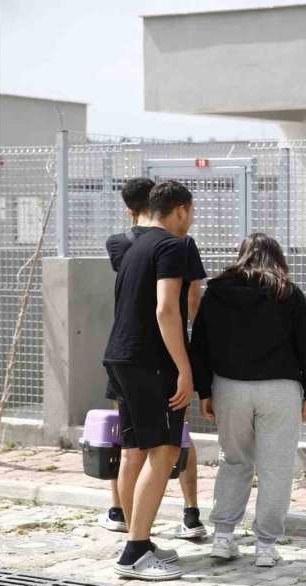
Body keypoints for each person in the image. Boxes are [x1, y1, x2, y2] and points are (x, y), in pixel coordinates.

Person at [189, 233, 306, 568]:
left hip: (230, 387)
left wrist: (205, 390)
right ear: (277, 258)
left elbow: (200, 343)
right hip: (279, 390)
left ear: (242, 256)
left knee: (234, 460)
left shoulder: (217, 292)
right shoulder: (288, 293)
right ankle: (265, 545)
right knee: (276, 468)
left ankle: (222, 537)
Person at [97, 177, 207, 541]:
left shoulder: (130, 246)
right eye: (191, 212)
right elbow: (166, 310)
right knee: (165, 451)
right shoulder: (174, 247)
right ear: (181, 210)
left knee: (133, 450)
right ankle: (137, 547)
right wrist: (185, 367)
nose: (191, 220)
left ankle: (135, 537)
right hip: (151, 361)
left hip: (120, 357)